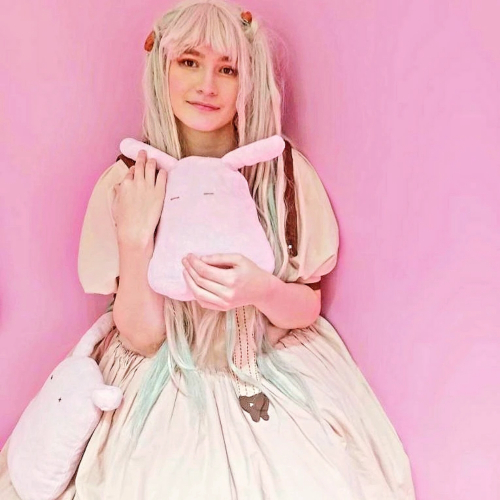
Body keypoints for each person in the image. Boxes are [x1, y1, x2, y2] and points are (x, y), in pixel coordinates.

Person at [0, 0, 416, 498]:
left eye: (227, 69)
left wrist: (259, 290)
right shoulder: (129, 181)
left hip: (267, 361)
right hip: (164, 372)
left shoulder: (280, 173)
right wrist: (135, 239)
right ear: (162, 68)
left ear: (248, 80)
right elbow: (141, 338)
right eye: (189, 62)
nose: (207, 85)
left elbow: (307, 305)